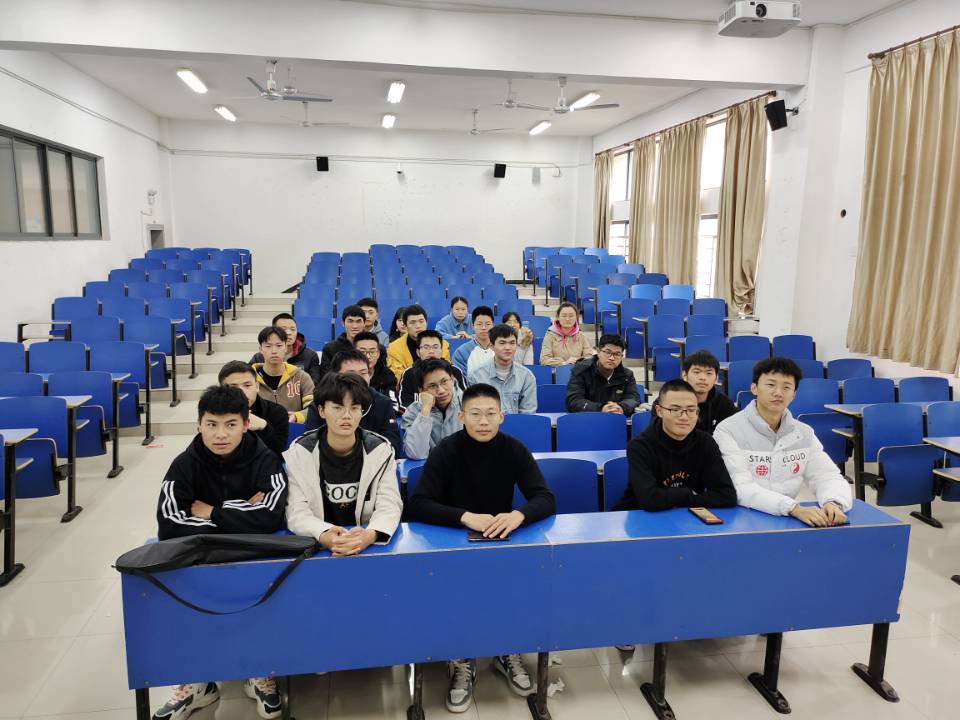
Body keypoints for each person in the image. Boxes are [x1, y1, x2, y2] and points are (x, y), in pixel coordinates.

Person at [406, 383, 555, 712]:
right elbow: (417, 504)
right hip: (451, 543)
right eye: (475, 414)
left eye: (490, 414)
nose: (483, 421)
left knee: (515, 586)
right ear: (462, 417)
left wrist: (518, 515)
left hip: (499, 541)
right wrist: (464, 516)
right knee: (458, 596)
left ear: (502, 416)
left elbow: (545, 498)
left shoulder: (514, 449)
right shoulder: (447, 450)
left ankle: (506, 648)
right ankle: (461, 658)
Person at [153, 385, 288, 720]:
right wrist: (241, 518)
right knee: (184, 598)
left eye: (230, 424)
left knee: (263, 600)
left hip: (253, 560)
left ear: (246, 424)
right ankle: (197, 682)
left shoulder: (266, 459)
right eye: (211, 424)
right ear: (199, 424)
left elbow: (271, 516)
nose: (220, 434)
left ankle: (259, 671)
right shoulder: (184, 464)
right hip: (202, 560)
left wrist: (212, 512)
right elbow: (169, 523)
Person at [714, 357, 853, 527]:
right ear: (754, 388)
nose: (778, 393)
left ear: (794, 395)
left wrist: (833, 502)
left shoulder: (804, 432)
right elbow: (740, 487)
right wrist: (792, 508)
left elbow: (826, 475)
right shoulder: (728, 430)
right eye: (770, 385)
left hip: (786, 520)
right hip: (741, 520)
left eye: (786, 387)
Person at [284, 373, 402, 555]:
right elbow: (296, 510)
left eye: (354, 408)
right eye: (338, 408)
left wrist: (369, 535)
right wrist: (324, 534)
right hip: (319, 545)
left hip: (367, 544)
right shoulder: (300, 452)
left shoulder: (381, 450)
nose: (347, 416)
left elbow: (390, 504)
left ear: (362, 412)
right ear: (322, 411)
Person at [612, 378, 736, 512]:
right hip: (639, 516)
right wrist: (687, 493)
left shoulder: (706, 442)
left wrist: (685, 500)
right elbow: (650, 500)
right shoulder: (640, 446)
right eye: (675, 409)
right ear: (659, 411)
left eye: (691, 410)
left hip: (686, 517)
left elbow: (727, 495)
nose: (684, 417)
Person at [303, 349, 401, 456]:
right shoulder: (322, 402)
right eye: (351, 374)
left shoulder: (383, 403)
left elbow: (393, 446)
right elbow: (311, 444)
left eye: (363, 373)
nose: (359, 379)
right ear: (336, 375)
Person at [219, 360, 289, 457]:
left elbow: (279, 455)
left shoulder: (277, 412)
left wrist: (264, 427)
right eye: (234, 387)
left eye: (247, 385)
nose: (242, 392)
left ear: (257, 386)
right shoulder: (212, 414)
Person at [467, 324, 537, 414]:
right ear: (491, 346)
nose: (508, 348)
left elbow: (528, 413)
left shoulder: (527, 376)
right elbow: (474, 412)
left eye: (512, 343)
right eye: (502, 343)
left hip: (518, 423)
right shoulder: (476, 376)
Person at [400, 359, 463, 459]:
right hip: (433, 466)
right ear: (421, 390)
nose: (441, 391)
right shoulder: (413, 412)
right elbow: (416, 454)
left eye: (444, 381)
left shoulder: (469, 403)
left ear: (452, 379)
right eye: (432, 386)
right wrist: (425, 411)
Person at [565, 334, 641, 415]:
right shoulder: (581, 371)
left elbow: (633, 398)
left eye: (617, 354)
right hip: (588, 418)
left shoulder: (627, 375)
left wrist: (621, 407)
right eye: (608, 352)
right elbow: (574, 401)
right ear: (598, 352)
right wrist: (601, 408)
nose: (612, 358)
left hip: (616, 418)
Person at [253, 326, 315, 424]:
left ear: (286, 347)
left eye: (279, 345)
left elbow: (314, 408)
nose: (274, 351)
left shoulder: (301, 377)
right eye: (268, 346)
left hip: (293, 429)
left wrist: (297, 416)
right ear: (260, 349)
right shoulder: (250, 379)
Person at [398, 329, 467, 413]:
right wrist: (425, 413)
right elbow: (404, 405)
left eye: (435, 347)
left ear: (441, 350)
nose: (431, 351)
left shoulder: (454, 371)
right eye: (426, 347)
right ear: (418, 352)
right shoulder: (409, 374)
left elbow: (465, 400)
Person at [248, 312, 322, 385]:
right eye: (283, 329)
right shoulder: (259, 358)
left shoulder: (310, 355)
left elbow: (314, 383)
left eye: (293, 329)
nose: (289, 333)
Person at [386, 304, 451, 381]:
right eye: (412, 322)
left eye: (421, 321)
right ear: (405, 326)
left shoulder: (442, 344)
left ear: (426, 322)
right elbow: (399, 378)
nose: (418, 326)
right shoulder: (394, 348)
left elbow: (447, 372)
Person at [681, 350, 738, 433]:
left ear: (716, 379)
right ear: (684, 375)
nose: (702, 377)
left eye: (709, 373)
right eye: (696, 372)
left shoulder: (724, 403)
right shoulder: (671, 401)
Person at [318, 304, 367, 379]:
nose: (354, 326)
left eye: (358, 321)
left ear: (364, 323)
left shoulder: (372, 348)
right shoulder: (330, 349)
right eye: (350, 321)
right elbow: (327, 378)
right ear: (343, 323)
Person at [540, 302, 595, 366]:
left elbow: (589, 357)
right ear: (557, 317)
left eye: (571, 316)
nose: (567, 319)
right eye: (564, 316)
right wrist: (564, 363)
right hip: (557, 370)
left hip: (578, 370)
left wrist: (576, 360)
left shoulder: (582, 336)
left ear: (576, 317)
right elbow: (544, 360)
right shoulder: (550, 335)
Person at [353, 330, 398, 402]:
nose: (368, 356)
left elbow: (393, 403)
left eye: (372, 352)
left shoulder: (387, 375)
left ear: (378, 354)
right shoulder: (346, 374)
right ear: (354, 353)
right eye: (362, 352)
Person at [452, 306, 495, 376]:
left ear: (493, 325)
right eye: (479, 324)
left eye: (487, 324)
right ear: (473, 326)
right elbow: (461, 378)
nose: (484, 328)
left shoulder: (501, 349)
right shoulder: (461, 353)